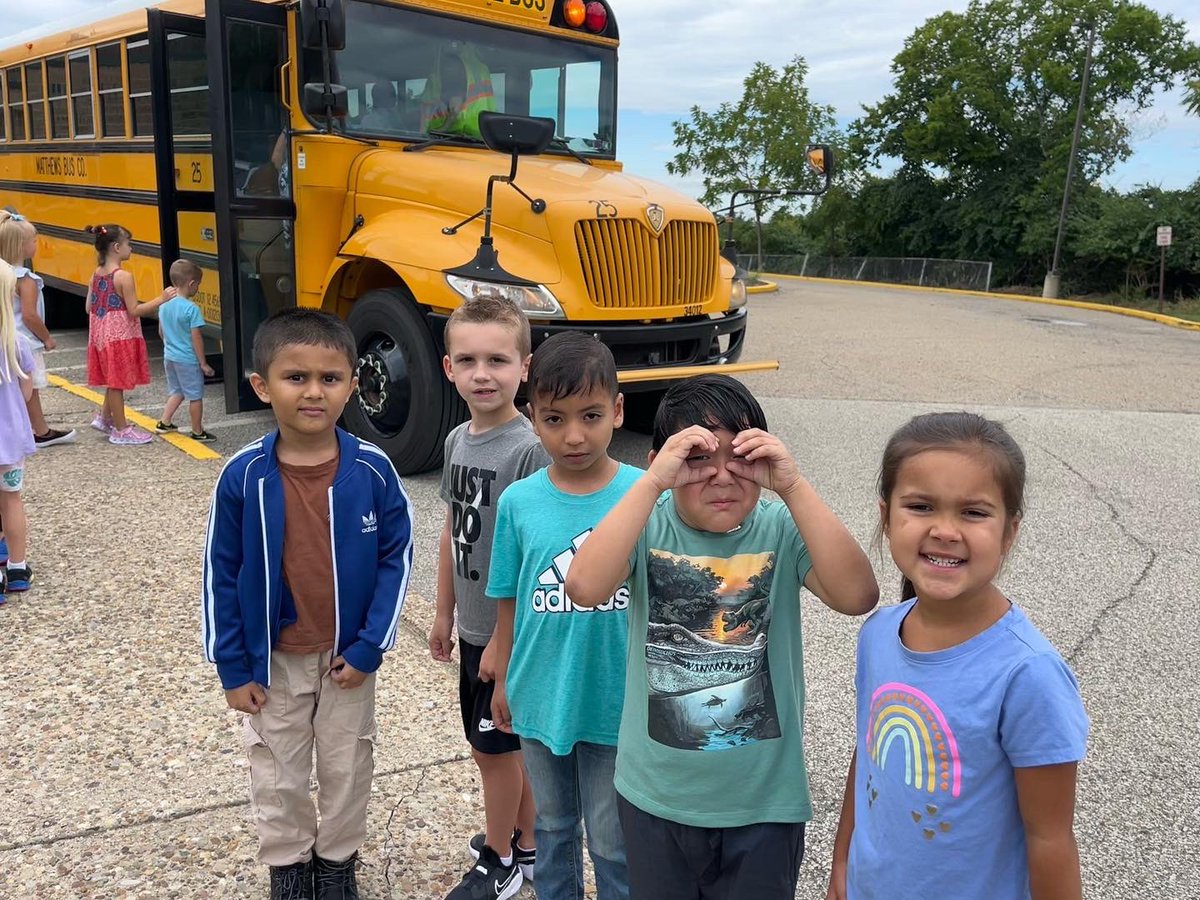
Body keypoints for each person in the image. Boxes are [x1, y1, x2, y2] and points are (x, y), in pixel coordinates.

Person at [565, 374, 880, 900]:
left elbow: (857, 595)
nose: (721, 477)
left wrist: (793, 486)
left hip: (763, 802)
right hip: (655, 797)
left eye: (741, 458)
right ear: (664, 460)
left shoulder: (778, 525)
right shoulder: (647, 522)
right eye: (698, 459)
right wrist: (650, 485)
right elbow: (584, 588)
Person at [825, 412, 1089, 900]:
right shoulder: (879, 633)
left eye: (973, 512)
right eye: (921, 506)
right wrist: (843, 859)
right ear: (886, 518)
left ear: (1010, 531)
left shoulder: (1028, 674)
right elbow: (868, 757)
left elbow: (1050, 838)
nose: (945, 530)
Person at [202, 307, 414, 900]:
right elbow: (220, 572)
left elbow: (398, 557)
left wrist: (371, 645)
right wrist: (232, 665)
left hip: (348, 658)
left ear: (353, 384)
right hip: (273, 659)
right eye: (296, 377)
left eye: (330, 377)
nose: (314, 391)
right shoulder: (243, 476)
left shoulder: (372, 470)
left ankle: (336, 861)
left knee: (347, 766)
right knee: (277, 768)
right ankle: (289, 865)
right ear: (261, 385)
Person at [487, 333, 638, 900]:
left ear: (617, 412)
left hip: (614, 697)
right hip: (539, 691)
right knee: (550, 828)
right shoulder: (520, 502)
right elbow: (507, 593)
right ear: (532, 418)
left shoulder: (642, 495)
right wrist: (502, 675)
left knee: (611, 837)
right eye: (554, 418)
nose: (573, 435)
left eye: (591, 415)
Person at [428, 296, 548, 900]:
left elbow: (534, 555)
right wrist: (443, 611)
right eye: (468, 359)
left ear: (524, 367)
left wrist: (503, 642)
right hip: (473, 626)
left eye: (498, 360)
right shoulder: (456, 441)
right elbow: (454, 530)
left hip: (512, 633)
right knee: (506, 743)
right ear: (447, 367)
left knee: (492, 752)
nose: (483, 373)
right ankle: (526, 841)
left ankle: (496, 857)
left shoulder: (528, 449)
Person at [84, 224, 175, 445]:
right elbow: (134, 310)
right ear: (116, 247)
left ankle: (105, 417)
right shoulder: (123, 276)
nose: (131, 249)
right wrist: (161, 299)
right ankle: (121, 429)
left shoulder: (96, 274)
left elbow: (89, 307)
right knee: (116, 383)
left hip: (100, 336)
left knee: (112, 377)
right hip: (120, 336)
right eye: (128, 244)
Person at [0, 211, 76, 448]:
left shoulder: (4, 275)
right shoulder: (26, 280)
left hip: (6, 340)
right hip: (25, 343)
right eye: (33, 240)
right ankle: (40, 431)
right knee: (30, 388)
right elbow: (31, 316)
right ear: (21, 246)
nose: (36, 244)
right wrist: (47, 338)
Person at [0, 260, 35, 596]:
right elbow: (26, 392)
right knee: (11, 500)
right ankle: (17, 568)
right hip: (10, 443)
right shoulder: (17, 343)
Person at [154, 259, 216, 442]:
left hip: (169, 357)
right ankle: (197, 431)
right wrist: (203, 363)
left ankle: (164, 422)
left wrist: (170, 346)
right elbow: (196, 338)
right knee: (195, 396)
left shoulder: (164, 305)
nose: (198, 288)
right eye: (198, 285)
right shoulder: (191, 309)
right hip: (187, 359)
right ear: (191, 283)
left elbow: (161, 332)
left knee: (177, 391)